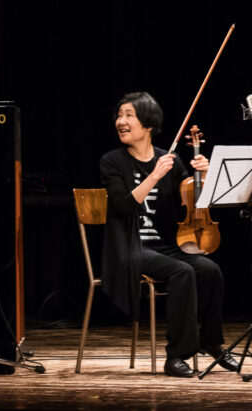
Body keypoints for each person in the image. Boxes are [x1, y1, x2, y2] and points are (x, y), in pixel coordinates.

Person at [99, 91, 239, 377]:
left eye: (129, 115)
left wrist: (205, 175)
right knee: (182, 272)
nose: (120, 121)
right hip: (128, 247)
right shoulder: (112, 161)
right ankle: (176, 355)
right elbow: (123, 206)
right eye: (119, 115)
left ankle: (212, 342)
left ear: (148, 125)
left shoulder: (169, 160)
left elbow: (196, 203)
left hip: (165, 245)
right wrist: (153, 176)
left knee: (209, 269)